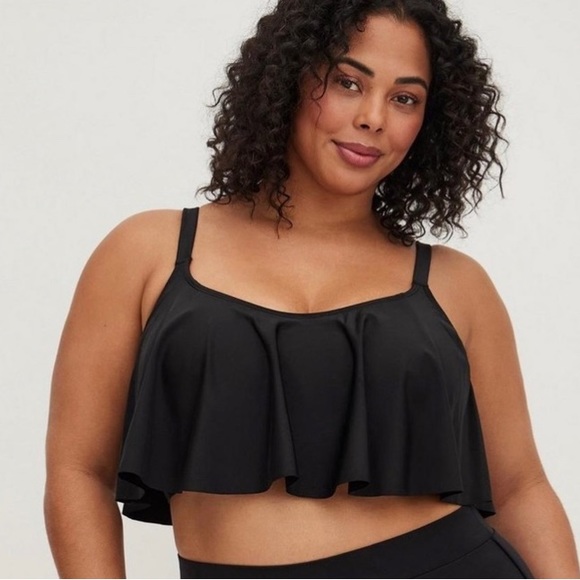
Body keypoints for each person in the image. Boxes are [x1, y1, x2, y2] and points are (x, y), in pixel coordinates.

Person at [44, 0, 580, 578]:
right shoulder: (148, 252)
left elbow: (520, 489)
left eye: (405, 98)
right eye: (348, 82)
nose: (373, 117)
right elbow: (78, 473)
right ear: (290, 79)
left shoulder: (457, 285)